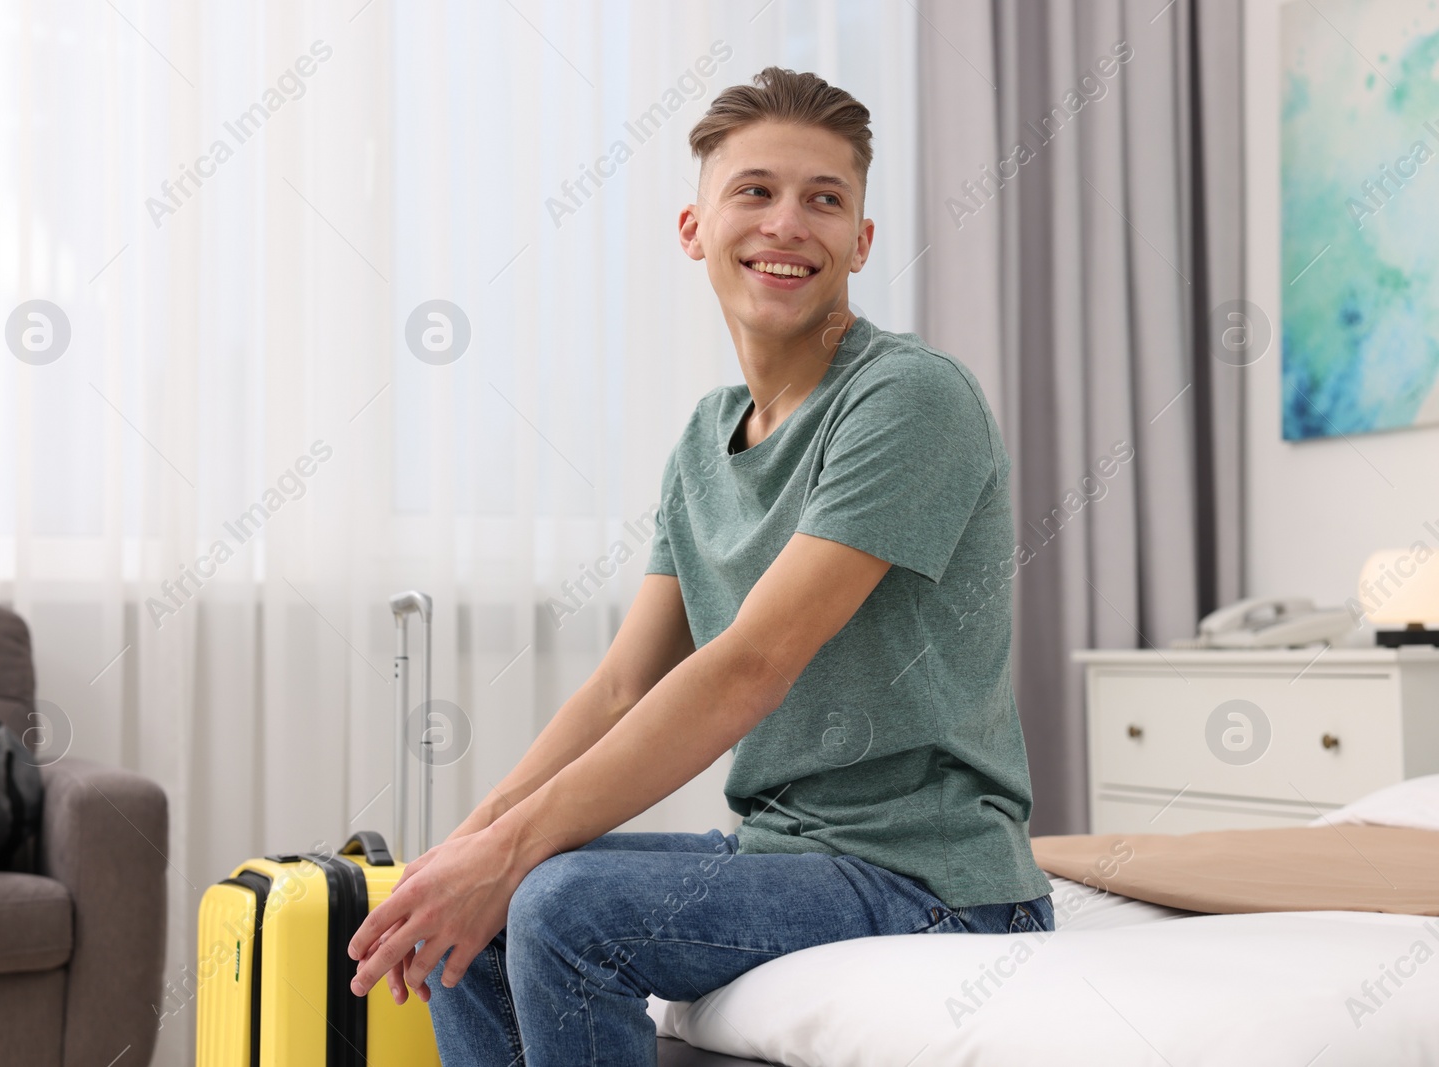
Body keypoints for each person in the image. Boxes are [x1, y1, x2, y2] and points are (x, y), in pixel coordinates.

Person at [347, 66, 1055, 1067]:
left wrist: (510, 855)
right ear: (695, 227)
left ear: (859, 240)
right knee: (499, 902)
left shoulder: (908, 399)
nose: (787, 223)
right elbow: (623, 683)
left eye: (825, 199)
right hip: (790, 851)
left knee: (554, 900)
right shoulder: (703, 438)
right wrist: (469, 845)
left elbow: (750, 664)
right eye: (755, 191)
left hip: (933, 880)